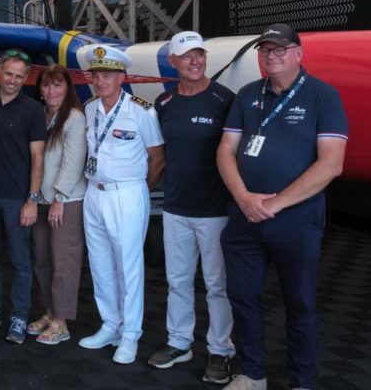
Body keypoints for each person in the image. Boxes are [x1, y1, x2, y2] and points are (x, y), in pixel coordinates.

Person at [217, 24, 347, 390]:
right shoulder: (247, 94)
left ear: (298, 54)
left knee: (300, 303)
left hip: (296, 218)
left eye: (279, 49)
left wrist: (277, 203)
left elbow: (331, 164)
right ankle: (253, 375)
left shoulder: (323, 96)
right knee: (242, 297)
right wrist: (244, 197)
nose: (270, 56)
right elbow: (226, 150)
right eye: (264, 50)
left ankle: (301, 381)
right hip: (245, 215)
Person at [148, 31, 236, 383]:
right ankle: (179, 342)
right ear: (173, 62)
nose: (195, 61)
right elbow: (160, 156)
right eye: (187, 56)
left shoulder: (224, 99)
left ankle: (220, 351)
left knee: (217, 285)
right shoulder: (164, 103)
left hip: (215, 211)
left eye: (200, 54)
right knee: (178, 282)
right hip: (175, 209)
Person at [77, 45, 165, 365]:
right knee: (101, 264)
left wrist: (140, 190)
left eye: (108, 75)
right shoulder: (90, 109)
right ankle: (110, 324)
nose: (100, 81)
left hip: (127, 193)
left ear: (122, 77)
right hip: (94, 193)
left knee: (128, 267)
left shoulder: (141, 111)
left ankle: (130, 334)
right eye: (96, 75)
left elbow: (157, 158)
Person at [0, 49, 47, 344]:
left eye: (19, 76)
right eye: (9, 74)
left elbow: (38, 157)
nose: (13, 80)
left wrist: (32, 199)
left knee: (20, 260)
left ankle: (18, 315)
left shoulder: (32, 110)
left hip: (19, 199)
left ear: (25, 79)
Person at [27, 65, 87, 345]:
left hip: (65, 202)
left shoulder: (74, 118)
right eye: (47, 85)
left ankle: (61, 323)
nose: (51, 91)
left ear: (67, 88)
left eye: (57, 85)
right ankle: (50, 313)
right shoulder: (40, 115)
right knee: (41, 259)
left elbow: (73, 162)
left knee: (64, 262)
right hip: (40, 199)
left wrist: (59, 199)